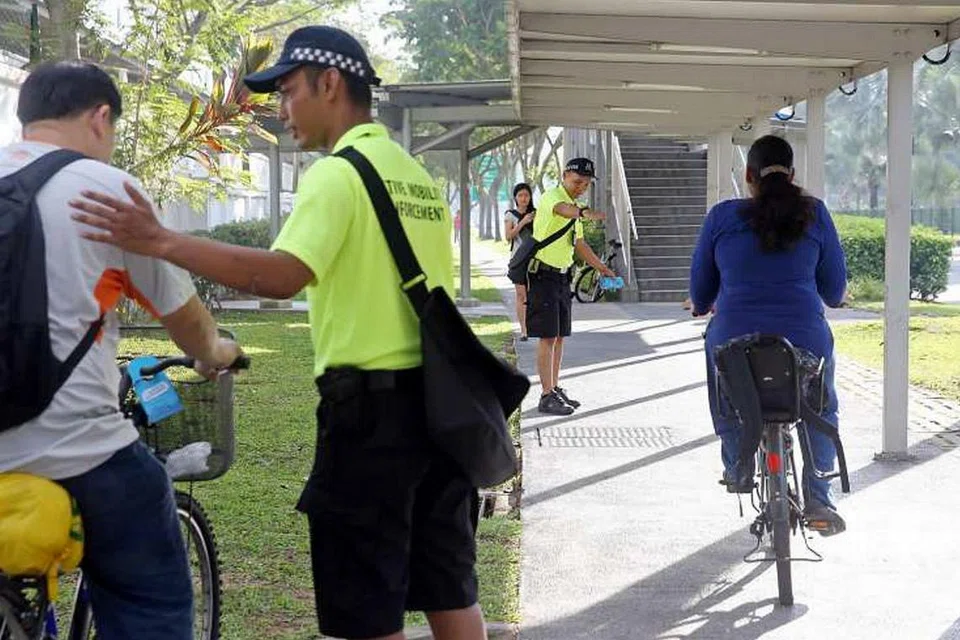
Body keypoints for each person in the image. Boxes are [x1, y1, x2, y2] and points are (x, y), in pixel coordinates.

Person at [70, 26, 486, 640]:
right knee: (449, 591)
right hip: (440, 411)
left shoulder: (338, 174)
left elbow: (283, 275)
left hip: (369, 418)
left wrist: (159, 240)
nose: (281, 108)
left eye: (288, 91)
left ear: (329, 84)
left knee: (365, 612)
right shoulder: (414, 176)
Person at [0, 62, 242, 639]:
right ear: (100, 117)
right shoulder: (107, 192)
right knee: (149, 594)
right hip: (78, 452)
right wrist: (217, 351)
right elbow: (187, 323)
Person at [689, 134, 848, 536]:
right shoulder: (815, 214)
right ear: (792, 174)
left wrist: (703, 303)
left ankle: (737, 464)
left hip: (735, 341)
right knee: (820, 405)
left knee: (724, 385)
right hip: (804, 342)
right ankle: (819, 497)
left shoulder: (721, 218)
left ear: (748, 175)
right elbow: (834, 292)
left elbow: (700, 293)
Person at [527, 158, 613, 416]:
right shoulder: (552, 198)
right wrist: (584, 212)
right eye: (577, 182)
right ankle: (545, 395)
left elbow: (579, 243)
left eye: (585, 184)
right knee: (547, 337)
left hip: (563, 278)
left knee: (560, 335)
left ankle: (554, 387)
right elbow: (562, 210)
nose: (580, 187)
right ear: (564, 175)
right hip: (543, 275)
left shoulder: (574, 206)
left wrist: (601, 267)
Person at [504, 182, 536, 341]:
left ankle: (532, 326)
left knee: (533, 295)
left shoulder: (536, 214)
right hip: (518, 259)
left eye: (526, 195)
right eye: (520, 195)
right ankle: (523, 330)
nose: (524, 198)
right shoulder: (510, 215)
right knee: (521, 295)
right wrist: (523, 222)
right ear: (515, 197)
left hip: (535, 259)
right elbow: (508, 236)